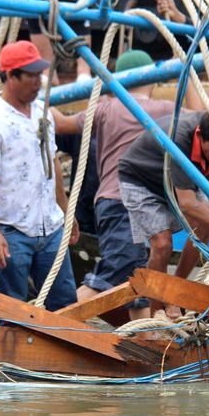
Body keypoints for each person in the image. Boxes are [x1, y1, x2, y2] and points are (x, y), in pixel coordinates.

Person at [52, 50, 175, 312]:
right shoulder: (164, 110)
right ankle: (48, 325)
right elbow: (203, 114)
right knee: (111, 275)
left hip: (111, 203)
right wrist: (182, 72)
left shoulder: (105, 109)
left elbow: (61, 124)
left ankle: (146, 341)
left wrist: (42, 101)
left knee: (136, 284)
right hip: (127, 207)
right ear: (154, 79)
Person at [0, 40, 79, 311]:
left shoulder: (43, 115)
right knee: (11, 309)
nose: (37, 81)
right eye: (30, 76)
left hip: (51, 226)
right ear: (10, 77)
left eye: (38, 74)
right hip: (13, 231)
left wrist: (66, 211)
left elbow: (52, 162)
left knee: (66, 305)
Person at [118, 110, 209, 319]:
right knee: (162, 244)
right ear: (199, 136)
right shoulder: (179, 139)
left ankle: (175, 292)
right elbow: (187, 204)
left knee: (205, 225)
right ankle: (157, 314)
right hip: (142, 181)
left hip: (179, 182)